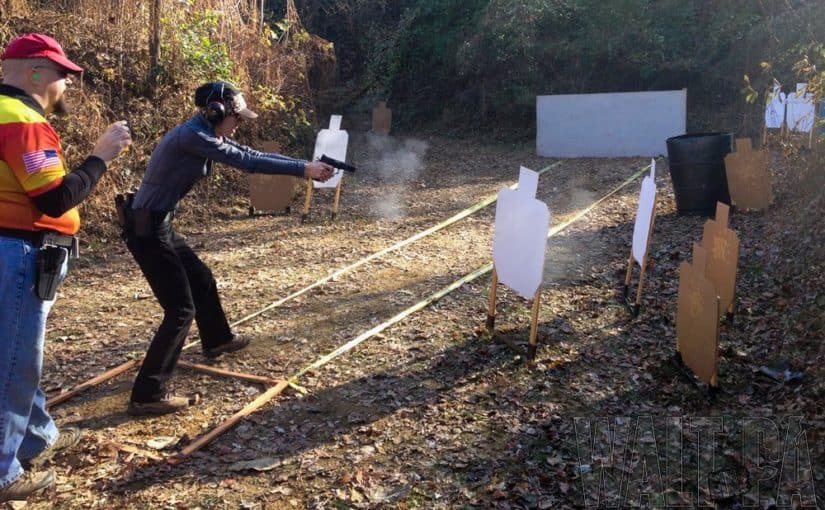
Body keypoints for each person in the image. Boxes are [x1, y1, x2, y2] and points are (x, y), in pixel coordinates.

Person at [121, 80, 334, 417]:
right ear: (215, 111)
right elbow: (247, 161)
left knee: (201, 279)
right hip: (147, 229)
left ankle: (217, 339)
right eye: (235, 118)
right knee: (179, 310)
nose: (238, 125)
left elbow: (249, 154)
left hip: (156, 223)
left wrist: (302, 167)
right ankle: (147, 393)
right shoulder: (193, 137)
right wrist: (303, 169)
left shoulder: (200, 134)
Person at [0, 33, 131, 502]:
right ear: (36, 72)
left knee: (15, 354)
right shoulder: (21, 120)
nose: (66, 86)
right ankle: (3, 471)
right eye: (62, 76)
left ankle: (37, 439)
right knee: (14, 363)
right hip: (16, 253)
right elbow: (55, 196)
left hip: (14, 248)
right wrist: (101, 156)